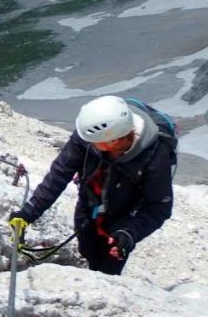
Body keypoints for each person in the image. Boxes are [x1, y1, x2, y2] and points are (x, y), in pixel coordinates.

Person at [9, 95, 175, 275]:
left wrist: (129, 233)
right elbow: (59, 174)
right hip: (89, 202)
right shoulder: (89, 135)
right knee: (87, 249)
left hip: (124, 216)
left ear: (112, 141)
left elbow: (159, 208)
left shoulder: (155, 158)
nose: (89, 144)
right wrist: (28, 212)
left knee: (108, 268)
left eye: (95, 143)